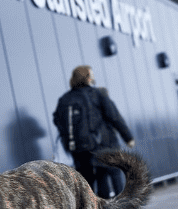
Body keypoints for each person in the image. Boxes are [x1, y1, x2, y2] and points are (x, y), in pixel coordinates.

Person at [53, 65, 135, 197]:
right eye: (91, 74)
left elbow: (57, 120)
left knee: (87, 180)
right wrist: (128, 137)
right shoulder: (97, 94)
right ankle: (118, 208)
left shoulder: (65, 99)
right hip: (102, 143)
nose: (93, 77)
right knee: (110, 172)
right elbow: (114, 115)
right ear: (86, 78)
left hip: (78, 149)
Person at [94, 86, 133, 197]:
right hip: (110, 144)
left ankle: (104, 207)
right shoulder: (107, 103)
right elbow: (117, 119)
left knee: (101, 176)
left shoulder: (90, 109)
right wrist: (128, 138)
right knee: (115, 173)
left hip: (96, 147)